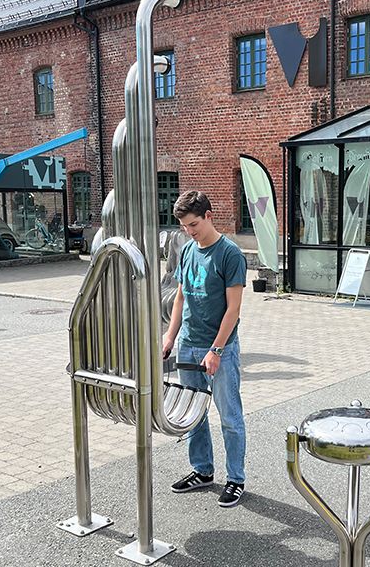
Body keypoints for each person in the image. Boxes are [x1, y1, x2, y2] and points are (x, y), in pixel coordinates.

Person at [162, 190, 247, 508]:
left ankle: (236, 478)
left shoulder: (230, 254)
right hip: (188, 345)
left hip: (219, 349)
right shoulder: (186, 251)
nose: (189, 231)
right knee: (193, 413)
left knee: (229, 415)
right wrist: (170, 337)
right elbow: (180, 297)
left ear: (209, 216)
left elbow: (233, 310)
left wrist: (216, 350)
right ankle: (202, 471)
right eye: (184, 226)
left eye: (194, 224)